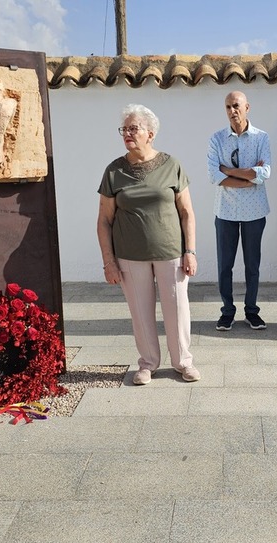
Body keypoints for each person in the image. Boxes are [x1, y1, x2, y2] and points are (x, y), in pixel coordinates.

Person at [97, 104, 201, 385]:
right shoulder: (114, 171)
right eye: (124, 129)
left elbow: (187, 212)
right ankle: (147, 364)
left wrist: (190, 251)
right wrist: (109, 261)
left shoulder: (172, 165)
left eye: (134, 128)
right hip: (130, 256)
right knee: (140, 314)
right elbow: (104, 220)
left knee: (177, 309)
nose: (128, 134)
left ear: (150, 133)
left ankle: (183, 362)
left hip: (171, 253)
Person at [206, 91, 272, 331]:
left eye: (236, 106)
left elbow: (265, 173)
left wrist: (229, 171)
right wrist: (247, 177)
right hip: (225, 212)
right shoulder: (217, 139)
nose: (232, 111)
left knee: (252, 265)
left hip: (255, 212)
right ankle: (227, 311)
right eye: (228, 107)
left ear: (247, 108)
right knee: (225, 265)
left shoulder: (261, 138)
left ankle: (252, 311)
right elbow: (214, 175)